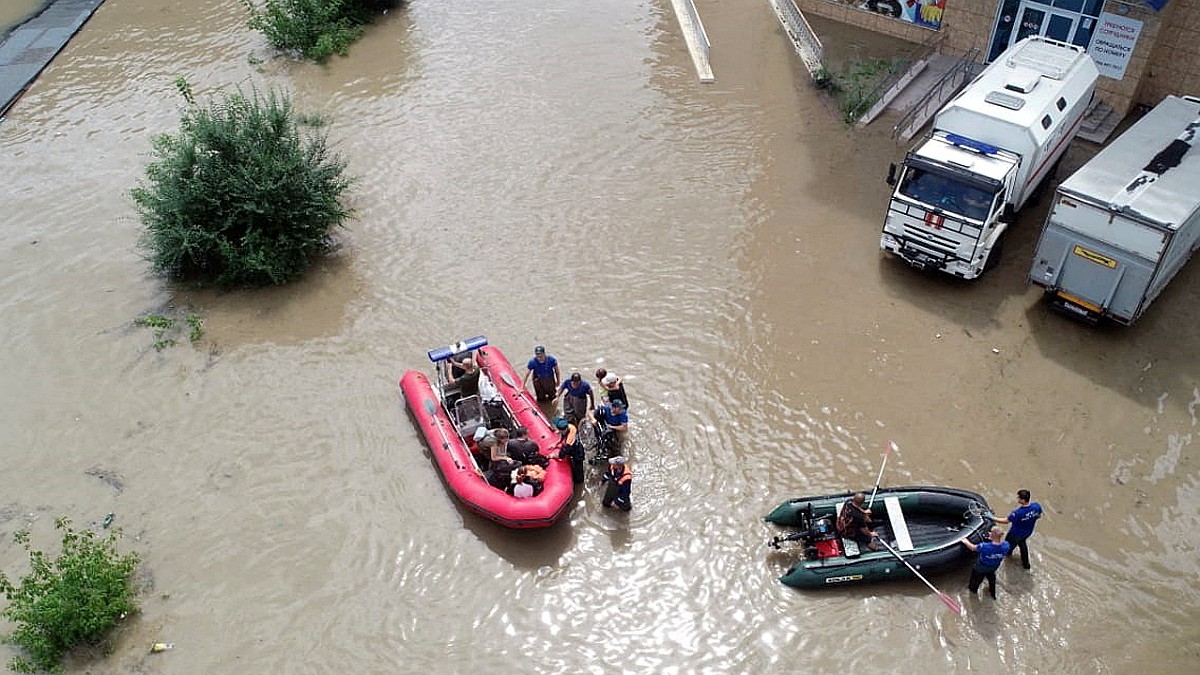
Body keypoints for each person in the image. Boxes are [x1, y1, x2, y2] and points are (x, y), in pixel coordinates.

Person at [996, 489, 1043, 570]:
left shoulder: (1017, 513)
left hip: (1015, 534)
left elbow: (1006, 521)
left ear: (1023, 500)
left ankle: (1007, 559)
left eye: (1018, 498)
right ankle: (1026, 564)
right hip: (1028, 532)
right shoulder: (1036, 506)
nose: (1017, 499)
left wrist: (992, 518)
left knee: (1008, 548)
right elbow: (1038, 516)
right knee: (1022, 544)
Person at [962, 526, 1011, 599]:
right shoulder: (1006, 545)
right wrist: (992, 539)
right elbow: (997, 546)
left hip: (981, 567)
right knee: (991, 577)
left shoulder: (984, 546)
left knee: (974, 583)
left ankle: (973, 595)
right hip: (994, 566)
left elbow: (972, 547)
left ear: (992, 535)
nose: (989, 533)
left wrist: (965, 541)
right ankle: (992, 594)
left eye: (990, 532)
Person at [552, 417, 585, 484]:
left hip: (577, 454)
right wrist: (556, 444)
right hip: (576, 448)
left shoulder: (568, 442)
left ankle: (579, 482)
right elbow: (562, 435)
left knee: (578, 472)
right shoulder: (571, 427)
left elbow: (561, 455)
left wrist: (552, 455)